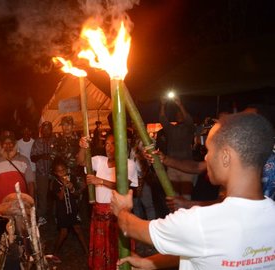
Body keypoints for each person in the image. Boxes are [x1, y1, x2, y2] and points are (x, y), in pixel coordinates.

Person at [111, 112, 275, 269]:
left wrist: (123, 210)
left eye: (209, 150)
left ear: (225, 157)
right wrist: (150, 263)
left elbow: (130, 227)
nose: (205, 157)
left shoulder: (201, 222)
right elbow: (205, 250)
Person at [77, 133, 138, 270]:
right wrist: (82, 147)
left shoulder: (129, 164)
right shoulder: (99, 160)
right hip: (99, 212)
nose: (109, 148)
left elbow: (122, 185)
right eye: (107, 144)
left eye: (113, 144)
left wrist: (100, 181)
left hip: (117, 214)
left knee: (117, 249)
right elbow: (81, 161)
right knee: (101, 250)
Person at [0, 133, 36, 250]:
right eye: (5, 143)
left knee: (22, 240)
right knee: (0, 242)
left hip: (21, 208)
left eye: (11, 143)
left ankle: (22, 265)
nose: (8, 146)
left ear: (15, 145)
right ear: (0, 146)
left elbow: (31, 184)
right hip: (1, 211)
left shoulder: (24, 160)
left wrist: (32, 206)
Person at [48, 159, 88, 263]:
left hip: (73, 209)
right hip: (62, 212)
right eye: (59, 171)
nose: (62, 173)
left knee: (78, 229)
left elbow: (76, 194)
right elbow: (60, 198)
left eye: (64, 170)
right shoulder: (54, 183)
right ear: (55, 173)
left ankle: (87, 252)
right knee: (63, 233)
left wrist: (71, 187)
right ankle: (55, 253)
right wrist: (63, 187)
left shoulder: (72, 178)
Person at [159, 95, 196, 198]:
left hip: (187, 166)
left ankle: (186, 213)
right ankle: (175, 213)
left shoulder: (189, 128)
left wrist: (180, 105)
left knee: (186, 197)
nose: (179, 115)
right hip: (172, 166)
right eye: (177, 114)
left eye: (181, 114)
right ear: (175, 117)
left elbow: (189, 119)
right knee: (173, 197)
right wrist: (163, 104)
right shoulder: (171, 129)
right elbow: (162, 119)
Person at [30, 121, 55, 225]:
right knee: (42, 195)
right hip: (41, 173)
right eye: (44, 129)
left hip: (55, 172)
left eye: (48, 129)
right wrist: (42, 156)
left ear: (51, 130)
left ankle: (56, 215)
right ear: (41, 130)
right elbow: (32, 158)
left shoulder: (56, 140)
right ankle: (42, 216)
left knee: (56, 194)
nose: (46, 131)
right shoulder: (37, 142)